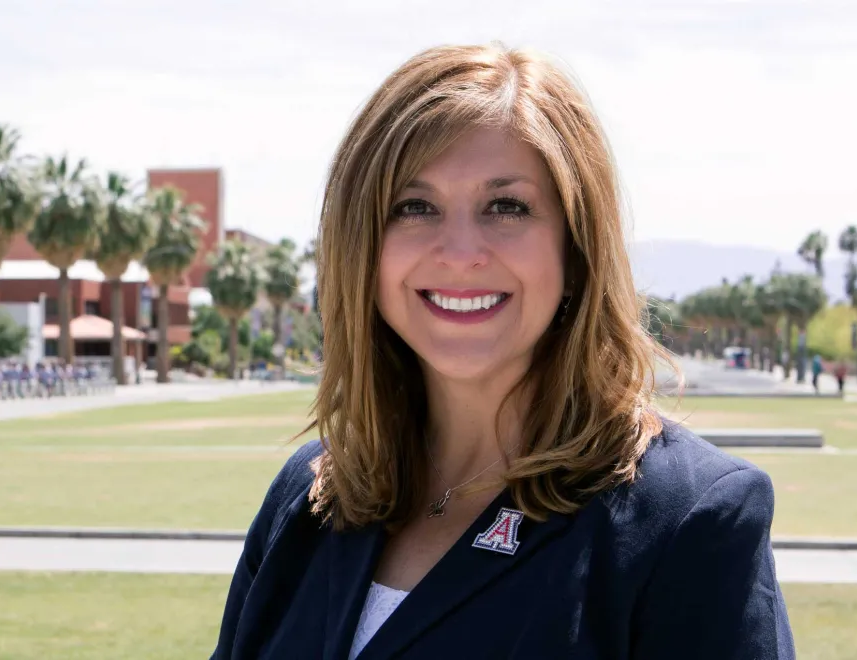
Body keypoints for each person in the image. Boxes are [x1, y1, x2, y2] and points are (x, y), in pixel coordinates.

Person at [212, 44, 794, 659]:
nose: (461, 251)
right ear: (363, 250)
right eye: (414, 207)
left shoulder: (691, 519)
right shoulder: (309, 496)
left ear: (575, 249)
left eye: (507, 207)